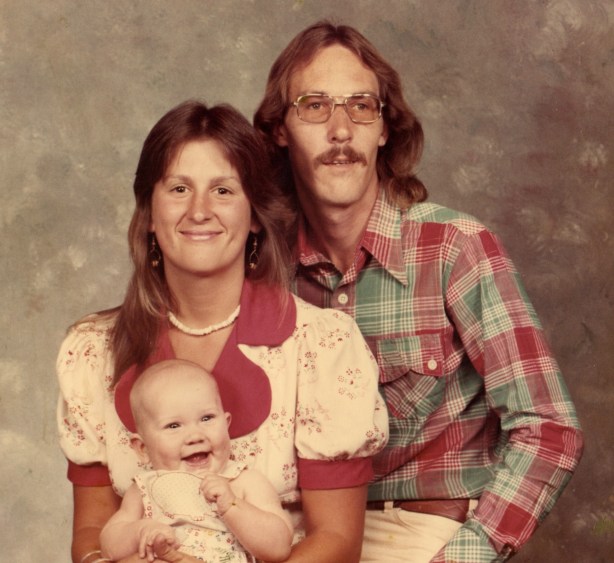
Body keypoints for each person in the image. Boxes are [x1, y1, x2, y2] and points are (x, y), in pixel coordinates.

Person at [253, 20, 584, 563]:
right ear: (279, 130)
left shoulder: (456, 248)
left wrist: (464, 556)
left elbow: (549, 430)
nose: (341, 130)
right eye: (315, 106)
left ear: (385, 128)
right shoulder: (263, 267)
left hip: (424, 535)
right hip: (300, 533)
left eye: (361, 106)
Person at [57, 99, 389, 563]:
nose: (199, 211)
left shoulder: (322, 345)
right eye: (179, 189)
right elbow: (93, 532)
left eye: (223, 190)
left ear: (253, 216)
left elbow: (335, 540)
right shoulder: (93, 351)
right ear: (149, 213)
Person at [100, 359, 293, 563]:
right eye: (174, 426)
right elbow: (109, 545)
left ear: (226, 424)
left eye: (206, 418)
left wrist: (232, 505)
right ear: (143, 448)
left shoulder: (243, 481)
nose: (195, 436)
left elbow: (279, 547)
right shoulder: (144, 487)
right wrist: (140, 531)